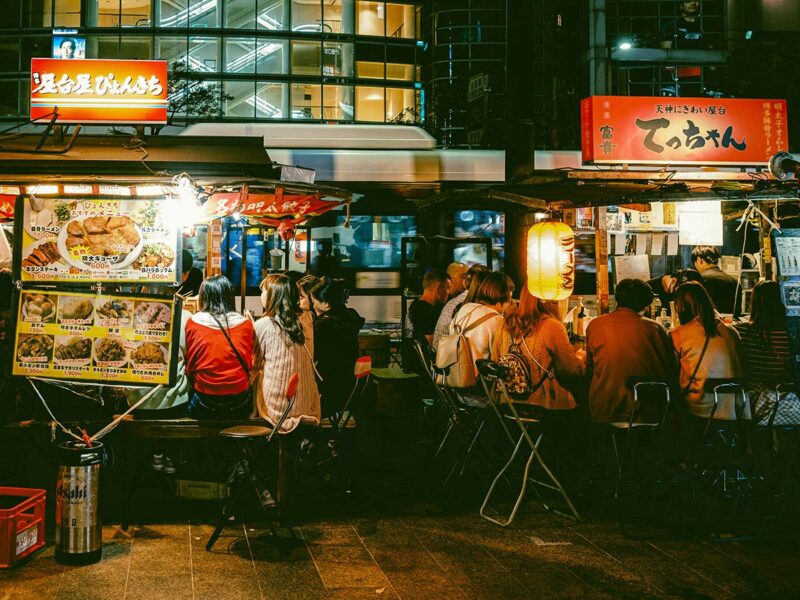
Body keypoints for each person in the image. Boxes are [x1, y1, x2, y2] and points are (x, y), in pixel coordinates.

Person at [586, 279, 676, 423]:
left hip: (604, 408)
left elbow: (590, 366)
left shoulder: (595, 326)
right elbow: (669, 367)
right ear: (646, 304)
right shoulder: (655, 329)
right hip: (647, 410)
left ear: (617, 299)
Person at [492, 286, 586, 411]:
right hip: (544, 405)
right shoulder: (552, 326)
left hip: (507, 404)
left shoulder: (504, 324)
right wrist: (580, 358)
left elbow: (495, 360)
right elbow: (570, 372)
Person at [253, 274, 320, 433]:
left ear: (273, 295)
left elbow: (253, 364)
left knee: (258, 376)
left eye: (263, 291)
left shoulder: (263, 325)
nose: (261, 295)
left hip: (279, 409)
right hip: (308, 404)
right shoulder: (307, 319)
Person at [670, 282, 746, 420]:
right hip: (733, 408)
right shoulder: (731, 331)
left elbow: (672, 371)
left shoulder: (678, 334)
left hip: (700, 407)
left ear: (680, 307)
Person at [185, 275, 254, 419]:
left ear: (203, 297)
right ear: (229, 296)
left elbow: (190, 367)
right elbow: (249, 363)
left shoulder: (193, 323)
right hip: (239, 401)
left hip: (204, 401)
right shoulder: (245, 324)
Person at [734, 281, 799, 425]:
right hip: (787, 398)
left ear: (754, 303)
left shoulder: (742, 331)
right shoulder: (791, 334)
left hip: (753, 400)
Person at [310, 277, 365, 417]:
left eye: (314, 301)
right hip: (347, 386)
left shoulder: (325, 326)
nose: (313, 304)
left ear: (326, 304)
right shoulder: (348, 318)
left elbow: (311, 355)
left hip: (329, 392)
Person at [449, 271, 512, 372]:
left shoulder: (466, 308)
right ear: (504, 296)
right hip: (478, 380)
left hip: (452, 371)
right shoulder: (497, 320)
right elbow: (502, 357)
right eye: (510, 298)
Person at [433, 264, 490, 351]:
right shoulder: (474, 305)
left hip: (440, 356)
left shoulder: (455, 301)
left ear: (465, 282)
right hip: (450, 358)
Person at [691, 246, 739, 315]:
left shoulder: (700, 279)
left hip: (707, 324)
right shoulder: (735, 282)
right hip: (730, 325)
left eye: (695, 264)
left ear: (699, 260)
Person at [408, 270, 448, 346]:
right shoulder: (428, 311)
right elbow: (433, 342)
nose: (448, 292)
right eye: (447, 287)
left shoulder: (414, 305)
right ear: (438, 288)